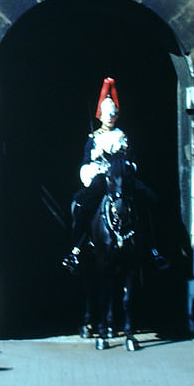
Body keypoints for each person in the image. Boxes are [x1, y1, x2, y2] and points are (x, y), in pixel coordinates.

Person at [64, 78, 166, 272]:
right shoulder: (94, 138)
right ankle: (76, 250)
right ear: (100, 116)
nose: (109, 117)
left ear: (116, 116)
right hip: (102, 178)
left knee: (147, 201)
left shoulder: (123, 137)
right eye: (106, 114)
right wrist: (95, 164)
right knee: (79, 205)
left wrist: (126, 165)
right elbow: (86, 161)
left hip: (123, 177)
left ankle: (153, 249)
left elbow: (133, 159)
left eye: (113, 114)